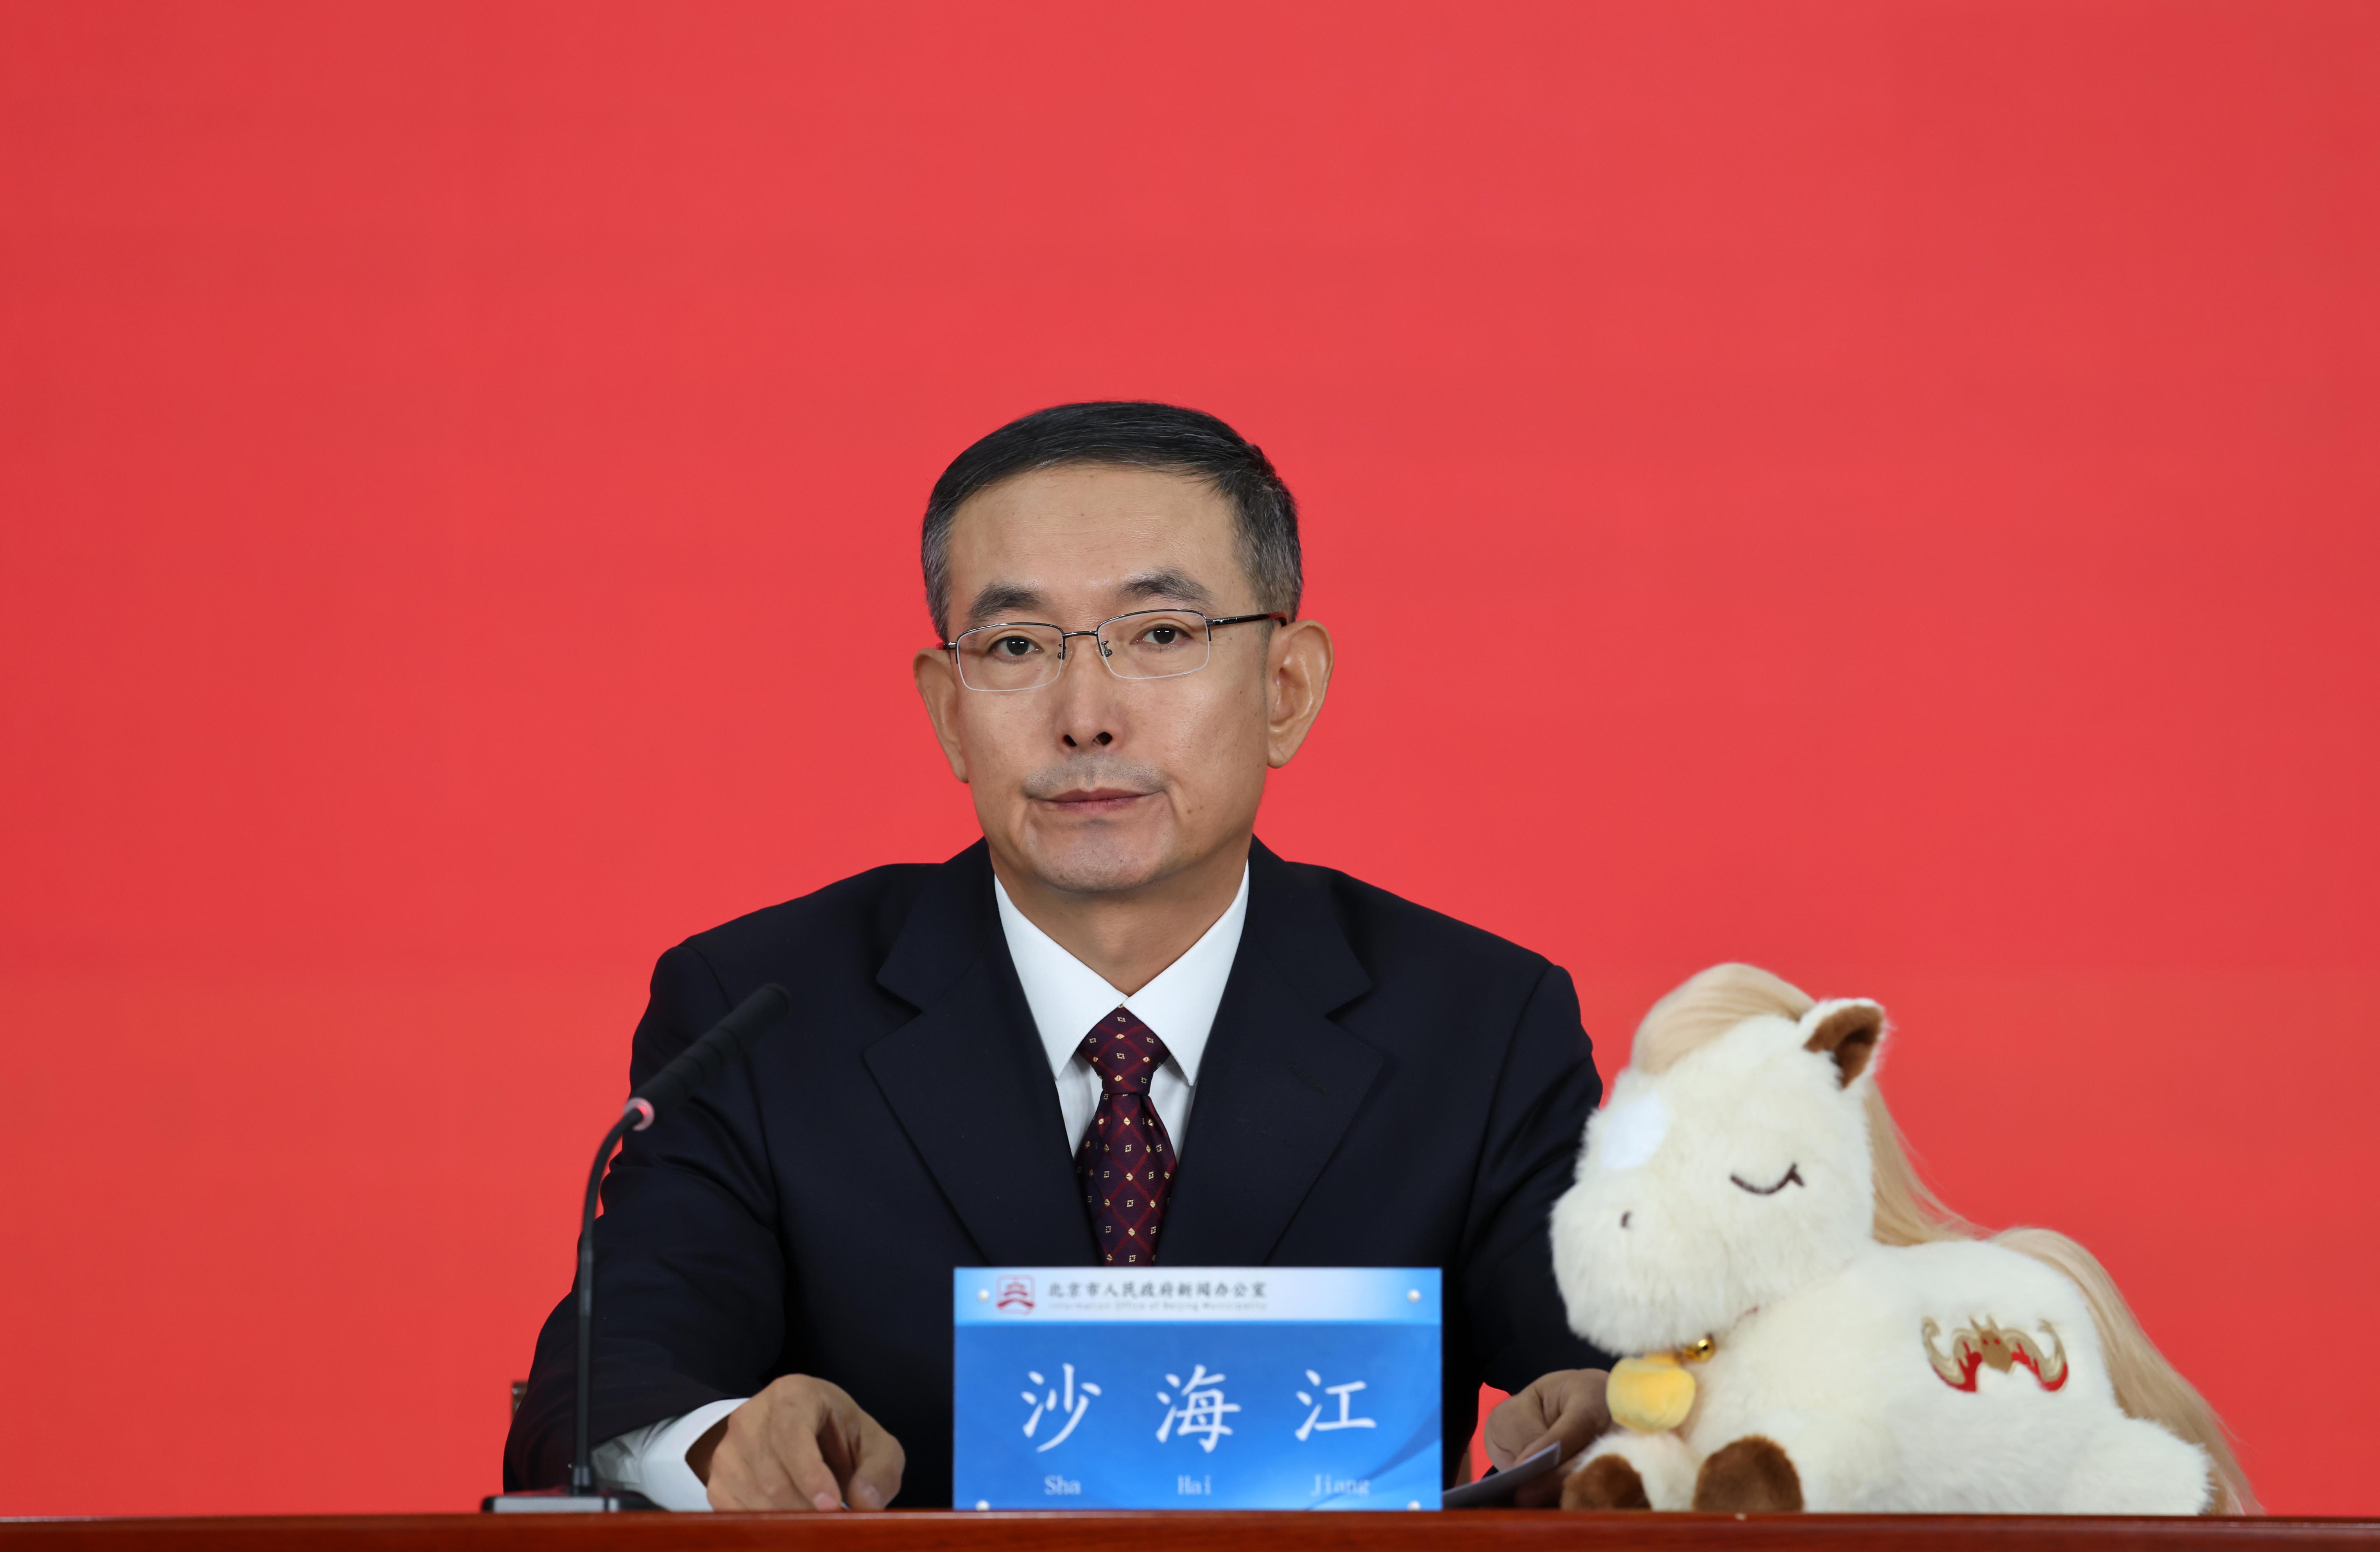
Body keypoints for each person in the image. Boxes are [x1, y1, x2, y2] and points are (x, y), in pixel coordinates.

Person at [502, 401, 1614, 1510]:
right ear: (950, 713)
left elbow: (1626, 1373)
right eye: (1017, 647)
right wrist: (722, 1446)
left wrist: (1618, 1413)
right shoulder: (759, 1016)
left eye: (1161, 636)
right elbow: (600, 1393)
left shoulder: (1478, 1025)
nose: (1085, 717)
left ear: (1286, 689)